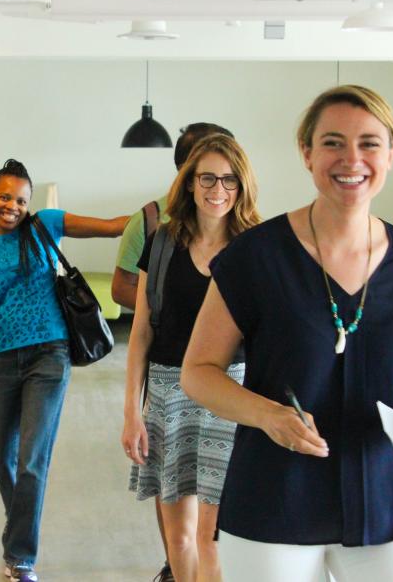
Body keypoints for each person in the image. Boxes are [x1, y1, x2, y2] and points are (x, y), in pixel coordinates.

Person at [181, 85, 393, 582]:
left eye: (370, 143)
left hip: (386, 496)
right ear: (306, 153)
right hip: (276, 495)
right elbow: (197, 373)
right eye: (332, 142)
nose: (352, 158)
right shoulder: (255, 256)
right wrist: (269, 415)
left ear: (391, 153)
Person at [0, 159, 128, 582]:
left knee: (31, 460)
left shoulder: (44, 224)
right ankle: (19, 526)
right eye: (5, 197)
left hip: (50, 353)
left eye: (20, 200)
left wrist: (159, 213)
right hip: (3, 358)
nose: (12, 206)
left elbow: (112, 226)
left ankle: (20, 557)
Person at [122, 135, 261, 582]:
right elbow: (142, 331)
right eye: (207, 178)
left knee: (211, 534)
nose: (217, 190)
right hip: (168, 391)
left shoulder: (254, 249)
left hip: (229, 391)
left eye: (228, 180)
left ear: (241, 187)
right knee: (178, 536)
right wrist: (131, 412)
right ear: (189, 183)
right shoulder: (163, 243)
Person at [112, 123, 235, 309]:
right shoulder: (149, 221)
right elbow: (122, 289)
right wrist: (169, 315)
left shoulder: (245, 226)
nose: (219, 185)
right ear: (185, 171)